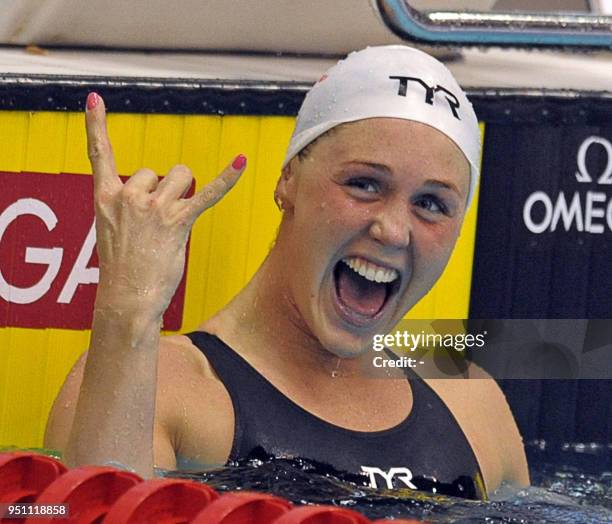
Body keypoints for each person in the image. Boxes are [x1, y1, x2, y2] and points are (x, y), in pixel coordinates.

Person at [44, 45, 529, 500]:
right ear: (288, 180)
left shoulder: (472, 407)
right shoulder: (171, 389)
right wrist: (127, 312)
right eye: (364, 184)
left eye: (431, 203)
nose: (394, 230)